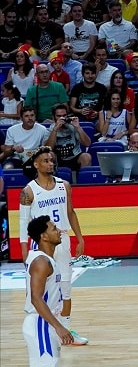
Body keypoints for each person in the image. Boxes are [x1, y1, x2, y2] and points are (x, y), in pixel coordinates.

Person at [19, 146, 87, 345]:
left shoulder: (64, 185)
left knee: (65, 288)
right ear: (36, 164)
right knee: (38, 290)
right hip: (39, 244)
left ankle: (66, 332)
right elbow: (23, 223)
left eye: (52, 160)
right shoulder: (28, 191)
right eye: (46, 160)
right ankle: (39, 329)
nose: (51, 163)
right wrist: (24, 249)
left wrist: (80, 238)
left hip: (62, 239)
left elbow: (71, 212)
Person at [22, 215, 75, 367]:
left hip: (46, 323)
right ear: (43, 236)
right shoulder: (42, 262)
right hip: (40, 324)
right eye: (54, 228)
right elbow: (36, 299)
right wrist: (59, 327)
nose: (59, 231)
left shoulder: (46, 258)